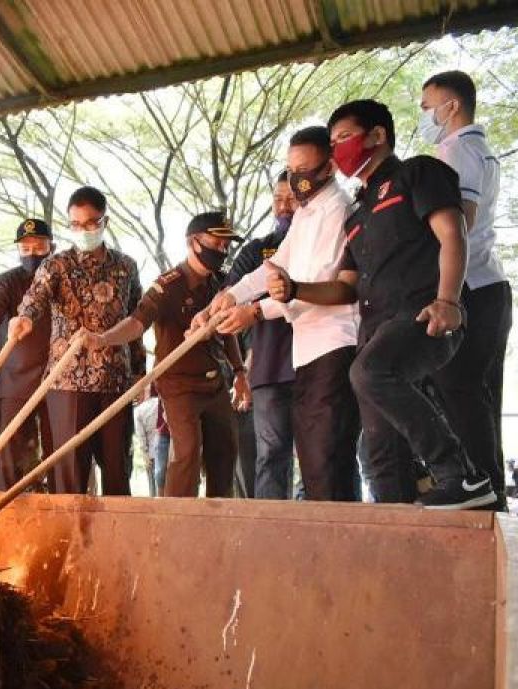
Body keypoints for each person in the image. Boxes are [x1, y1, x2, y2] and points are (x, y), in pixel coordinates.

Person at [265, 99, 494, 509]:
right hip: (375, 330)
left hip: (424, 314)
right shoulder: (356, 214)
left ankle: (462, 475)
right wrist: (296, 290)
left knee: (370, 373)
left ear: (377, 135)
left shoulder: (418, 173)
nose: (338, 150)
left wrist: (448, 300)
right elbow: (346, 287)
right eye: (332, 143)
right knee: (379, 449)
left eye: (345, 138)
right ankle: (397, 531)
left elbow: (453, 234)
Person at [204, 126, 362, 502]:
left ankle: (338, 539)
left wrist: (255, 312)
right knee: (310, 453)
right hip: (306, 348)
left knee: (326, 454)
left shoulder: (338, 210)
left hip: (335, 344)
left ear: (329, 168)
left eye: (305, 169)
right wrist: (229, 295)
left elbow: (315, 284)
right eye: (291, 169)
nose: (297, 180)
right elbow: (276, 267)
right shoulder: (307, 213)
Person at [90, 212, 251, 498]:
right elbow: (137, 323)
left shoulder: (222, 285)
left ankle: (219, 518)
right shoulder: (167, 285)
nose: (221, 252)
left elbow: (228, 334)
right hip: (179, 385)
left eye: (226, 246)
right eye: (216, 244)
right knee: (187, 451)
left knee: (226, 450)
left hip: (216, 383)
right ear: (193, 243)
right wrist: (104, 339)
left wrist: (239, 372)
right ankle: (177, 518)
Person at [8, 186, 144, 496]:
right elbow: (34, 299)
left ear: (104, 222)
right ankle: (68, 541)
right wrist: (23, 318)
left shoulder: (126, 266)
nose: (83, 230)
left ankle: (115, 540)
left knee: (117, 473)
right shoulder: (56, 265)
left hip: (115, 382)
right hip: (66, 383)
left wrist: (139, 370)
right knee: (68, 475)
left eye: (90, 223)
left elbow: (137, 319)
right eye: (75, 224)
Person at [419, 71, 512, 507]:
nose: (425, 116)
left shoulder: (458, 149)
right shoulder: (479, 149)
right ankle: (488, 488)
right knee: (478, 392)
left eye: (427, 107)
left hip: (470, 285)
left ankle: (479, 484)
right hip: (488, 283)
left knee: (455, 384)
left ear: (451, 106)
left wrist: (443, 294)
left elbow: (462, 221)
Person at [221, 172, 297, 499]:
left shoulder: (329, 235)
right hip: (269, 365)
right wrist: (244, 367)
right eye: (278, 199)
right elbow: (233, 295)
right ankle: (270, 537)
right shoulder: (256, 251)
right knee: (271, 454)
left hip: (320, 361)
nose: (284, 207)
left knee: (322, 456)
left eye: (291, 199)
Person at [0, 219, 55, 491]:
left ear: (51, 246)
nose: (32, 253)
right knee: (9, 446)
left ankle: (61, 505)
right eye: (25, 248)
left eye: (39, 246)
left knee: (58, 447)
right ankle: (5, 509)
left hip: (59, 374)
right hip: (17, 375)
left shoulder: (62, 276)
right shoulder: (9, 281)